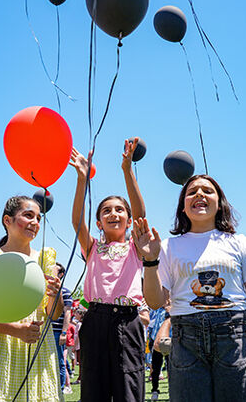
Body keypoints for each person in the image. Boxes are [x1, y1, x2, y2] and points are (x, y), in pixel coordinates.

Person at [135, 174, 246, 401]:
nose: (199, 194)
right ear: (183, 207)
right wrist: (150, 261)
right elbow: (155, 302)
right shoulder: (167, 247)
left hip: (233, 341)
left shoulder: (241, 243)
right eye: (192, 192)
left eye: (207, 191)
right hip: (185, 343)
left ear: (220, 204)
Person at [69, 138, 149, 402]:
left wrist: (127, 169)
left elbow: (141, 216)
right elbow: (77, 221)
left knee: (129, 389)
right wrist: (82, 180)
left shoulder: (135, 247)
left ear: (127, 219)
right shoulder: (92, 247)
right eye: (106, 211)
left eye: (119, 210)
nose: (113, 214)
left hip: (128, 321)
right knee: (93, 390)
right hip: (95, 321)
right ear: (99, 222)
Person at [0, 196, 64, 402]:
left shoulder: (45, 259)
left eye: (38, 218)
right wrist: (16, 330)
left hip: (39, 346)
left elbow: (54, 314)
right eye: (28, 215)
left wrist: (55, 294)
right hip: (3, 345)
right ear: (8, 220)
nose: (35, 222)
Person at [50, 262, 73, 394]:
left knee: (59, 362)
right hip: (46, 332)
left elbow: (68, 313)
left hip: (58, 332)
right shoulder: (45, 289)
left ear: (61, 274)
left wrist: (64, 333)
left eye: (54, 270)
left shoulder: (65, 292)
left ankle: (60, 388)